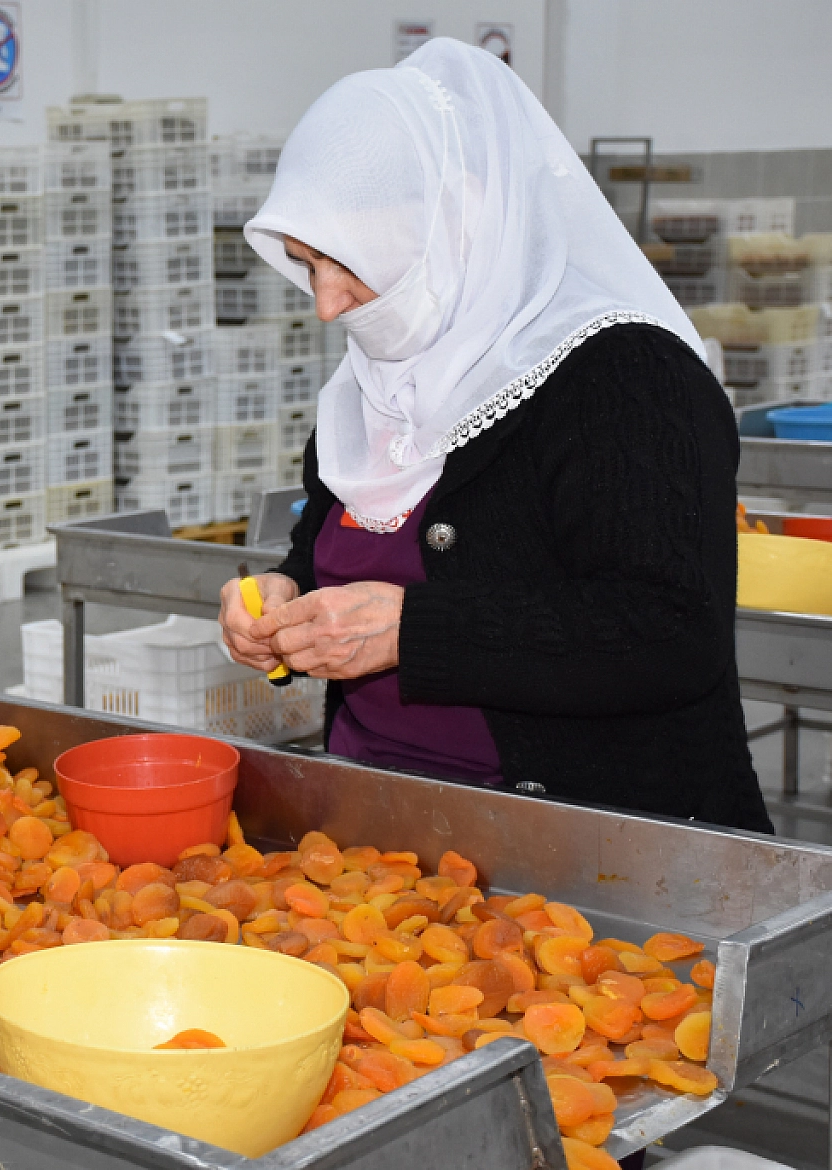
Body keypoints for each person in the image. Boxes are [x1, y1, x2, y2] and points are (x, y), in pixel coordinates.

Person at [217, 38, 771, 834]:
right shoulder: (378, 386)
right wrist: (284, 595)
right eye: (306, 266)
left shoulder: (623, 377)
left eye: (351, 265)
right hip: (382, 830)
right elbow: (336, 541)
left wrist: (414, 632)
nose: (328, 306)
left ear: (451, 226)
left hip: (591, 853)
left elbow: (670, 633)